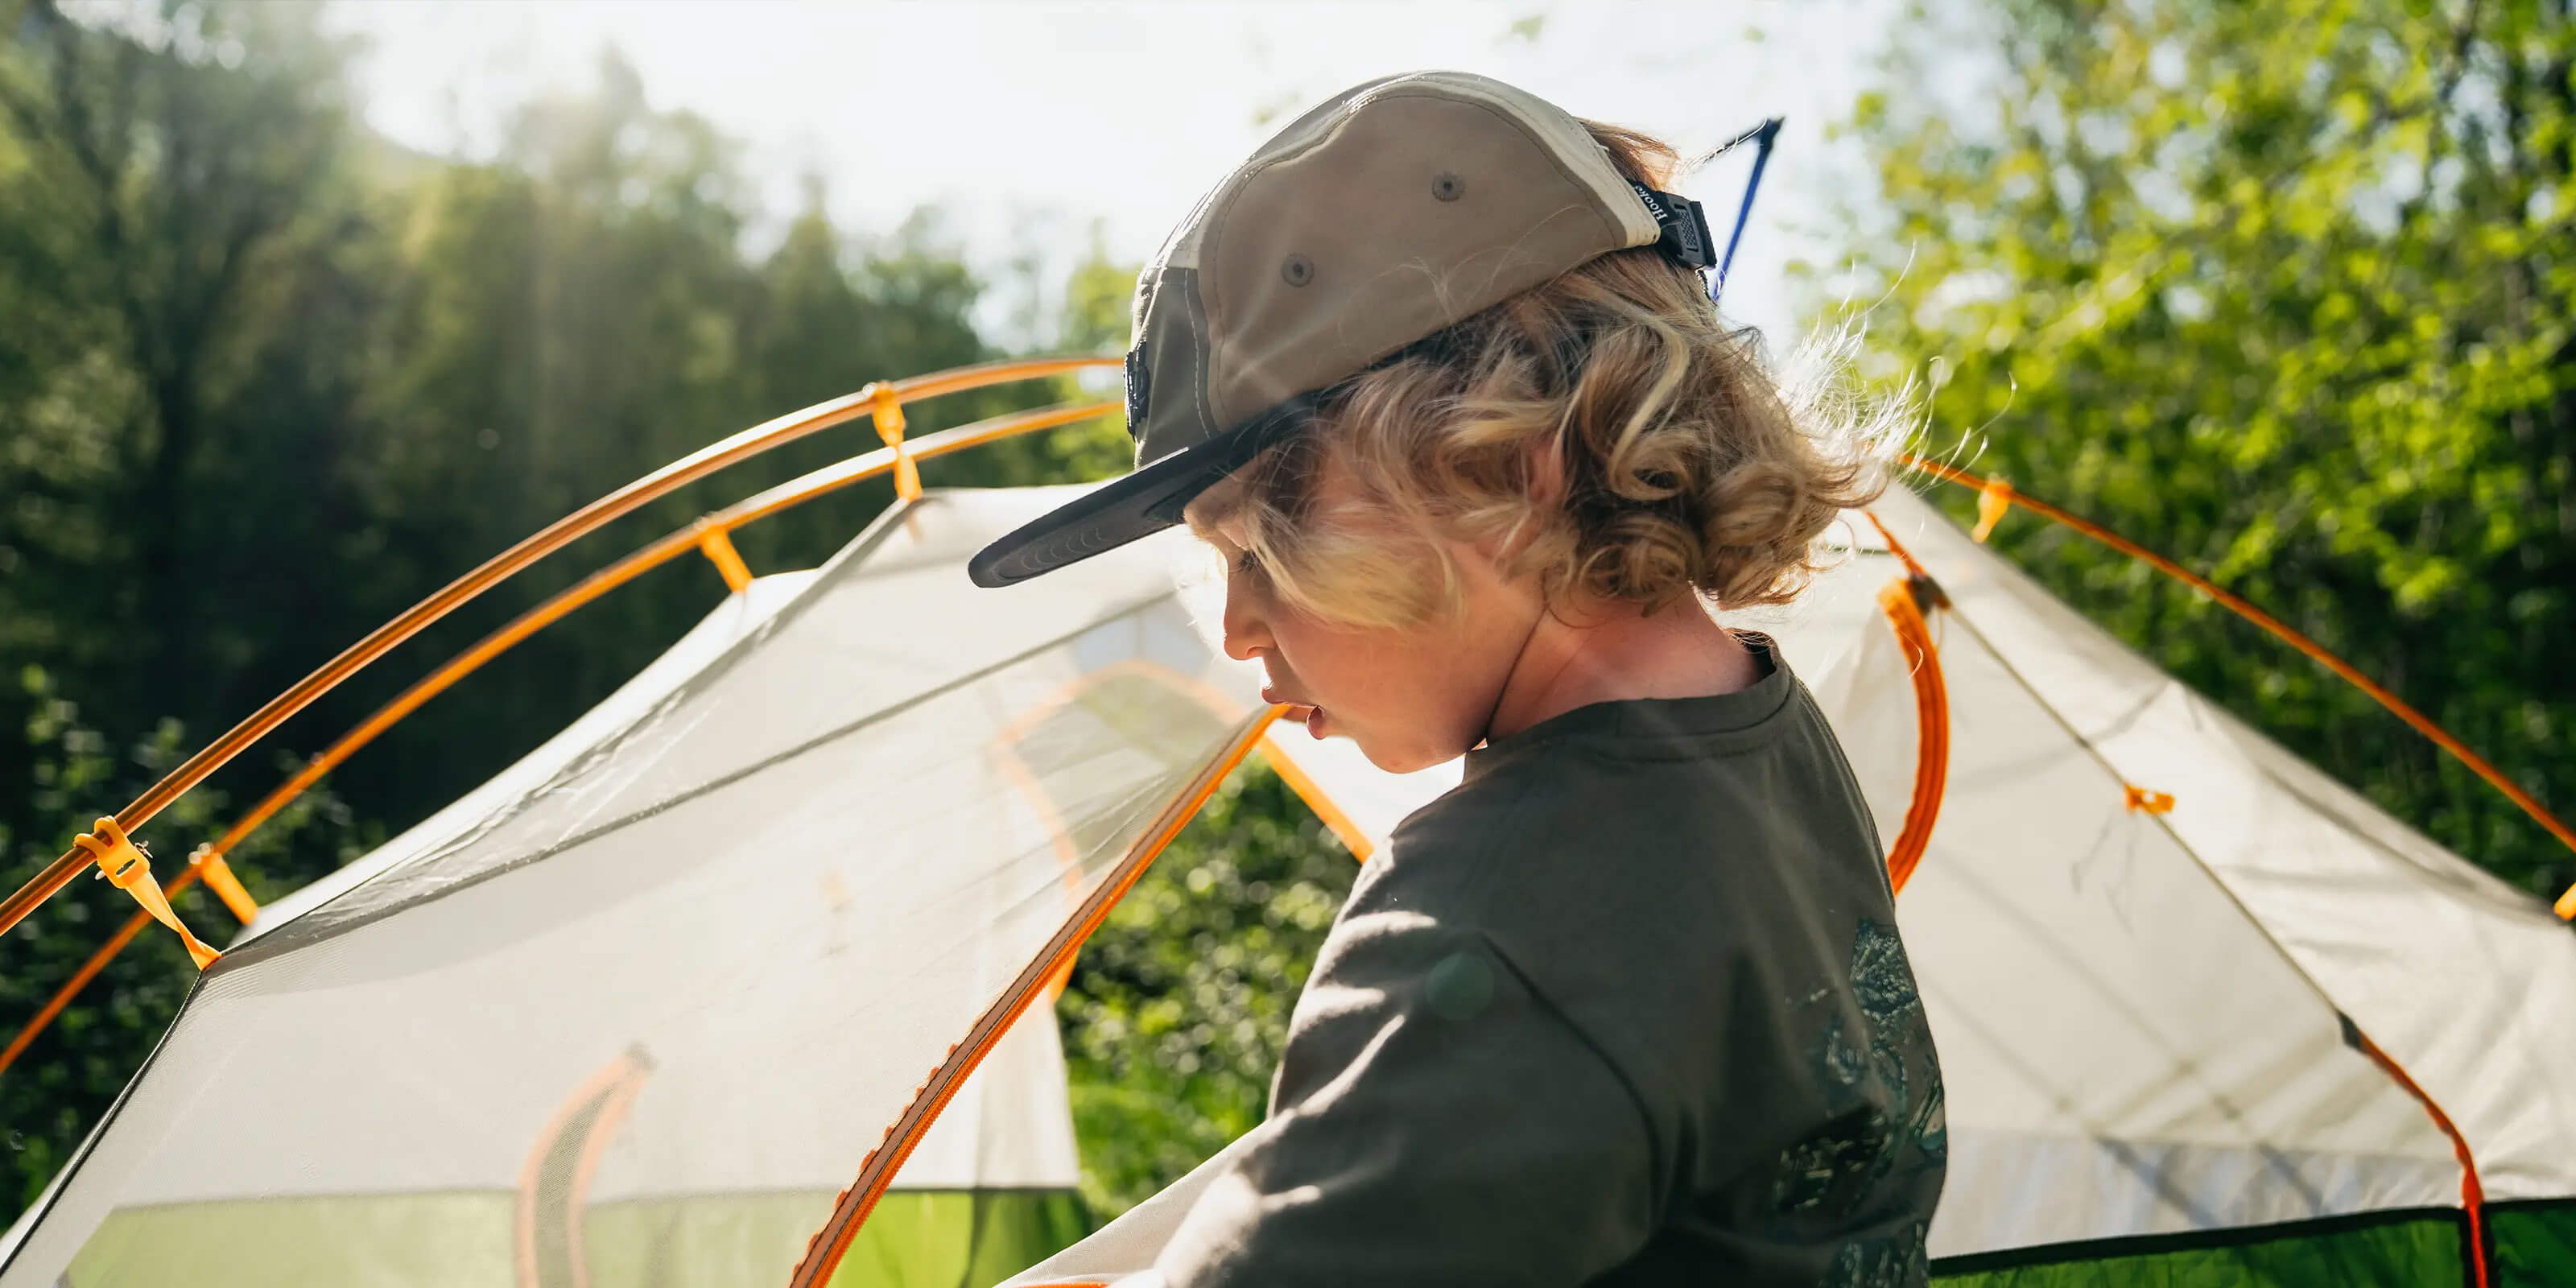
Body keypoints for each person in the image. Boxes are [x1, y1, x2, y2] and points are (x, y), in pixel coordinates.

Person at [972, 71, 1944, 1287]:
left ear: (1507, 464)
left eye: (1259, 541)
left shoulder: (1501, 924)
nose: (1234, 625)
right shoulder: (1756, 742)